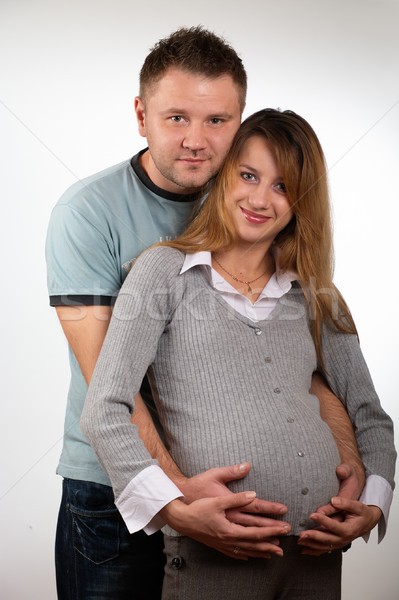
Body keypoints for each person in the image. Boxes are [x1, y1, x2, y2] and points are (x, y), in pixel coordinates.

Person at [46, 26, 376, 600]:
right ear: (141, 114)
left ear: (240, 120)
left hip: (245, 517)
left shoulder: (251, 205)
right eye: (177, 118)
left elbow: (302, 369)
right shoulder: (89, 213)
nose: (196, 140)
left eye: (217, 121)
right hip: (111, 488)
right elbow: (111, 388)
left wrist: (347, 470)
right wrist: (178, 501)